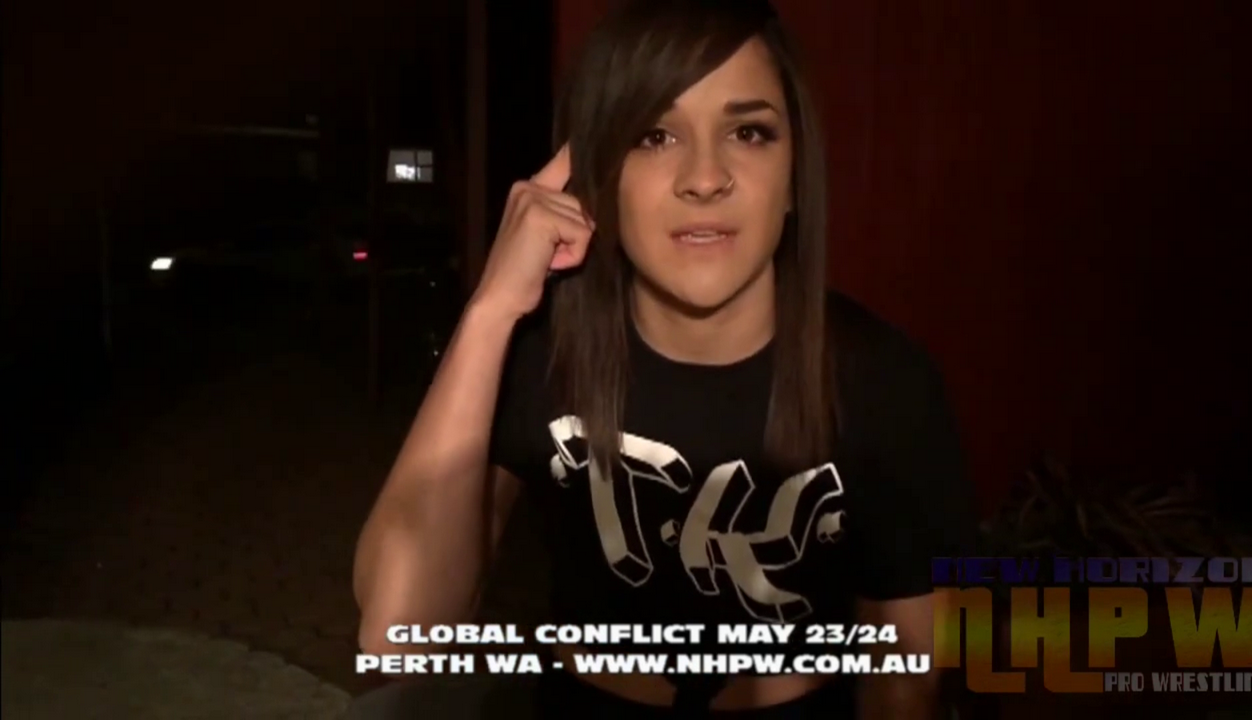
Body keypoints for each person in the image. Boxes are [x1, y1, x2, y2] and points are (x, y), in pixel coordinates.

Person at [352, 0, 976, 717]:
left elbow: (907, 679)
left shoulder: (887, 383)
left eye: (748, 132)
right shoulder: (540, 354)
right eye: (654, 135)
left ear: (795, 174)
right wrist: (492, 309)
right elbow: (399, 640)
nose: (704, 178)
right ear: (596, 174)